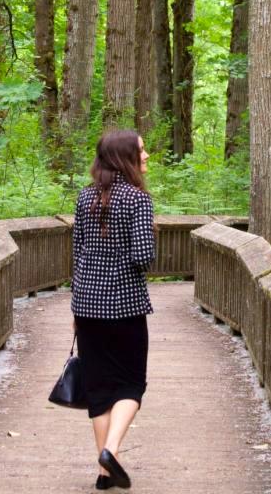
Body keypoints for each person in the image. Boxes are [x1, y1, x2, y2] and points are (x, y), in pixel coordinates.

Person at [71, 129, 155, 490]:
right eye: (142, 150)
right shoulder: (137, 200)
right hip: (125, 306)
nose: (147, 155)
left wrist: (76, 308)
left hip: (87, 305)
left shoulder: (84, 197)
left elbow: (77, 253)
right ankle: (111, 450)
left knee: (100, 386)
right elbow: (142, 256)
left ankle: (106, 473)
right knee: (131, 383)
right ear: (126, 157)